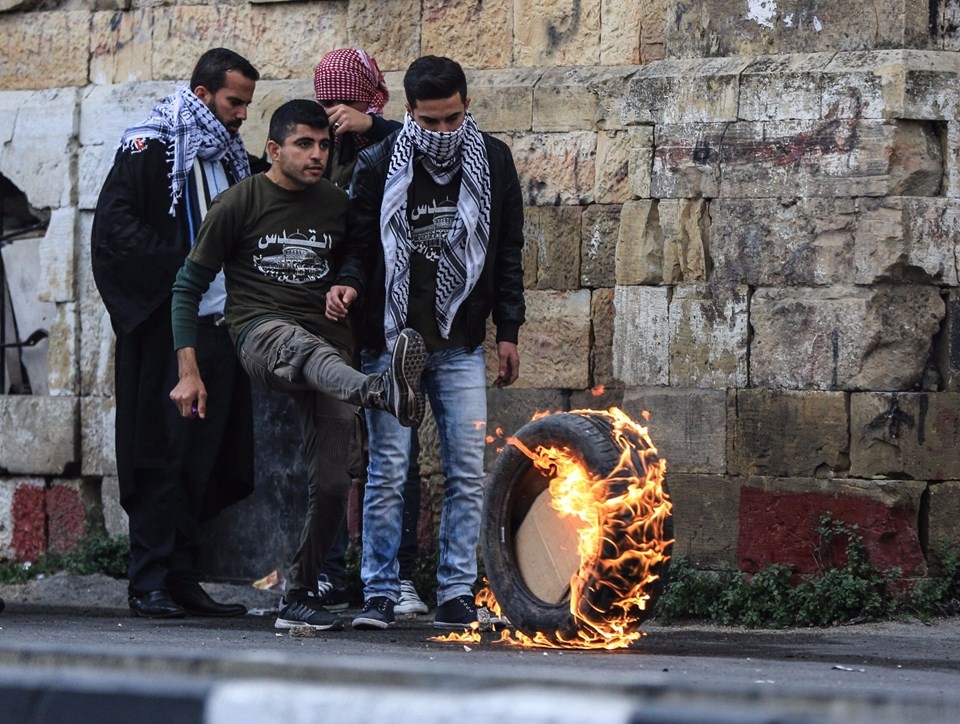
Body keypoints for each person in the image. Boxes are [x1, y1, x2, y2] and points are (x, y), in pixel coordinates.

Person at [168, 99, 428, 632]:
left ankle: (300, 593)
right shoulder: (237, 203)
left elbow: (359, 259)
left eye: (324, 145)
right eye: (303, 144)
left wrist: (345, 289)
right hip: (263, 335)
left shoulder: (337, 202)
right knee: (301, 346)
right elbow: (185, 289)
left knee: (334, 481)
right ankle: (381, 392)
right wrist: (188, 371)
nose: (316, 155)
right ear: (274, 149)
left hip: (331, 349)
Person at [338, 55, 525, 630]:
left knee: (467, 471)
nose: (443, 133)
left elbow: (509, 249)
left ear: (466, 105)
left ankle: (455, 593)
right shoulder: (376, 164)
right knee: (389, 471)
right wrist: (346, 283)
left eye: (453, 119)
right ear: (409, 113)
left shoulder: (493, 159)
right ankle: (378, 592)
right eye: (430, 122)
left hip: (461, 343)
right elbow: (359, 247)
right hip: (391, 341)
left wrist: (508, 332)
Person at [91, 48, 262, 619]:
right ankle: (149, 582)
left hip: (221, 325)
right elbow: (116, 233)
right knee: (162, 453)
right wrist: (189, 264)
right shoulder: (149, 145)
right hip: (168, 326)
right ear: (204, 92)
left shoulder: (232, 155)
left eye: (246, 103)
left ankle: (184, 576)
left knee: (204, 455)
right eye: (234, 101)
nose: (241, 114)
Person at [312, 47, 428, 616]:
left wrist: (374, 127)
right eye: (327, 103)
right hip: (331, 325)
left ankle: (397, 574)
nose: (335, 114)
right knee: (333, 450)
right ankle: (329, 574)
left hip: (385, 320)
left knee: (393, 452)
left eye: (347, 103)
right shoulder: (317, 148)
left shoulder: (397, 142)